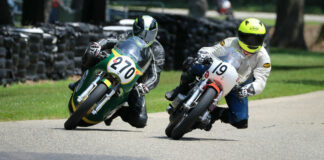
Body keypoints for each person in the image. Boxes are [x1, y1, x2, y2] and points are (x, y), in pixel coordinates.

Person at [165, 18, 271, 131]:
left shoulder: (264, 58)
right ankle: (181, 89)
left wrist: (247, 89)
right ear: (240, 35)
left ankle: (214, 113)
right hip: (217, 69)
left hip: (237, 85)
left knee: (241, 121)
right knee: (192, 63)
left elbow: (261, 81)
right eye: (248, 38)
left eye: (256, 39)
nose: (251, 43)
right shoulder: (231, 41)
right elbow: (213, 50)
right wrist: (203, 54)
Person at [69, 15, 165, 128]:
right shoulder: (127, 35)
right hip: (113, 62)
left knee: (140, 120)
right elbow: (110, 40)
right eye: (140, 32)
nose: (143, 37)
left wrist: (145, 86)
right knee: (91, 52)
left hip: (134, 84)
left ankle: (118, 110)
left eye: (148, 34)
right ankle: (82, 80)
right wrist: (99, 45)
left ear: (155, 34)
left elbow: (155, 75)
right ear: (134, 29)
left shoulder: (158, 50)